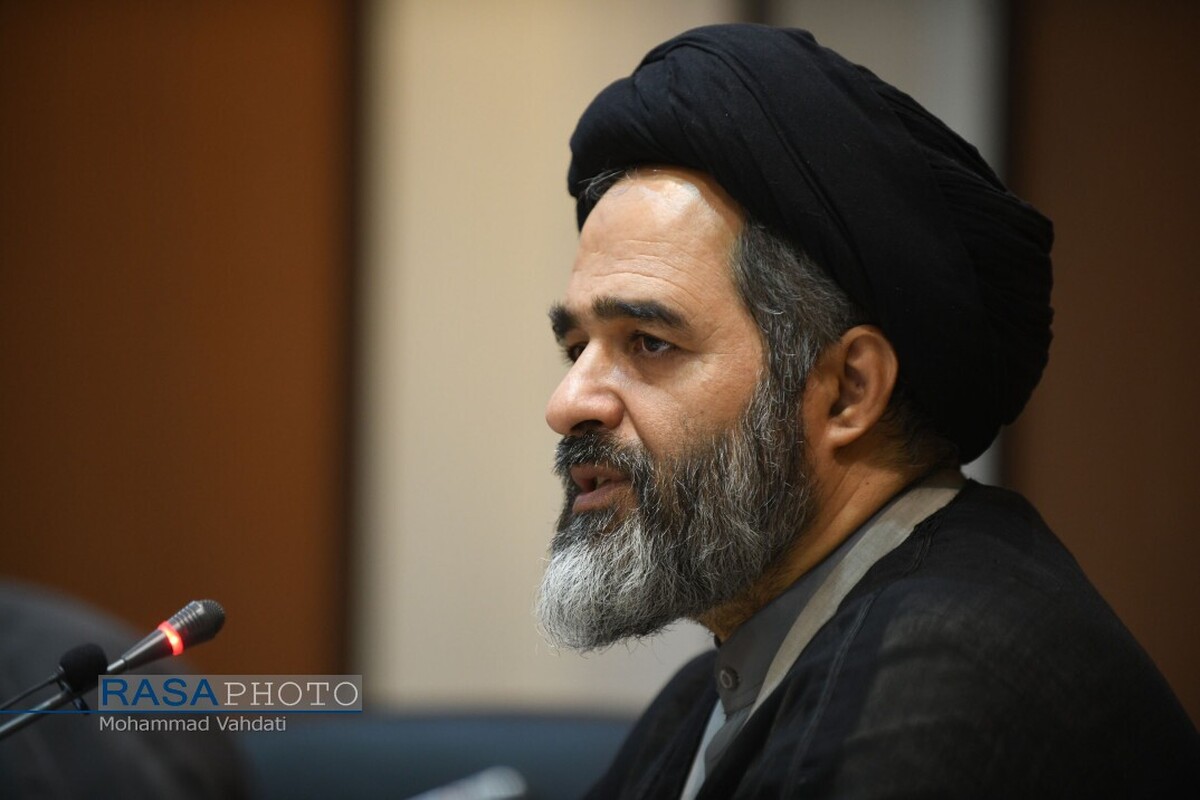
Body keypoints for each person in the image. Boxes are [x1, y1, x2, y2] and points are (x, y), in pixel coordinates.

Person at [534, 24, 1198, 799]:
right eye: (576, 348)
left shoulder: (937, 685)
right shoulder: (717, 688)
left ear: (848, 389)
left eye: (649, 342)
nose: (567, 404)